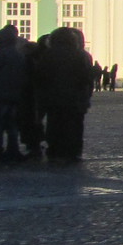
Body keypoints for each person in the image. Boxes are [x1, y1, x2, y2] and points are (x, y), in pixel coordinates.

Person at [35, 25, 95, 163]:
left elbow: (40, 76)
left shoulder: (49, 55)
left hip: (54, 97)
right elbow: (86, 77)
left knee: (55, 124)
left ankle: (55, 151)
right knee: (75, 125)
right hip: (75, 98)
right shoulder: (80, 55)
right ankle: (73, 152)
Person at [0, 24, 28, 163]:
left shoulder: (0, 51)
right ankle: (13, 150)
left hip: (0, 92)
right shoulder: (18, 53)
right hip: (14, 93)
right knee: (12, 125)